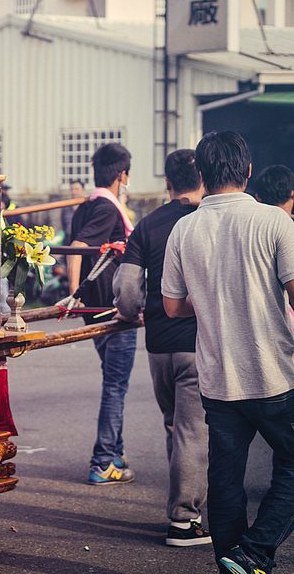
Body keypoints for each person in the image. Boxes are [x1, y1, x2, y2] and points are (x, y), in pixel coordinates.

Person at [162, 131, 294, 574]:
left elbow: (172, 306)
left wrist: (213, 292)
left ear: (201, 174)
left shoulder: (185, 228)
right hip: (274, 372)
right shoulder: (274, 221)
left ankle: (233, 563)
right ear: (248, 169)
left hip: (218, 378)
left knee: (225, 478)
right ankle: (254, 553)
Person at [113, 149, 211, 547]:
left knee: (176, 427)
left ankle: (185, 507)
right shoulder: (206, 221)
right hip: (195, 342)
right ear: (202, 178)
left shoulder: (149, 225)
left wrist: (133, 311)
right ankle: (184, 521)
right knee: (193, 432)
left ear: (168, 182)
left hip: (158, 347)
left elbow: (127, 287)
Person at [67, 142, 138, 485]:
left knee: (113, 380)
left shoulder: (88, 204)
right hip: (111, 307)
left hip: (97, 308)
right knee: (115, 385)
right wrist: (73, 293)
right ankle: (103, 460)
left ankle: (116, 453)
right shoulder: (106, 208)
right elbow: (77, 248)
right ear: (122, 175)